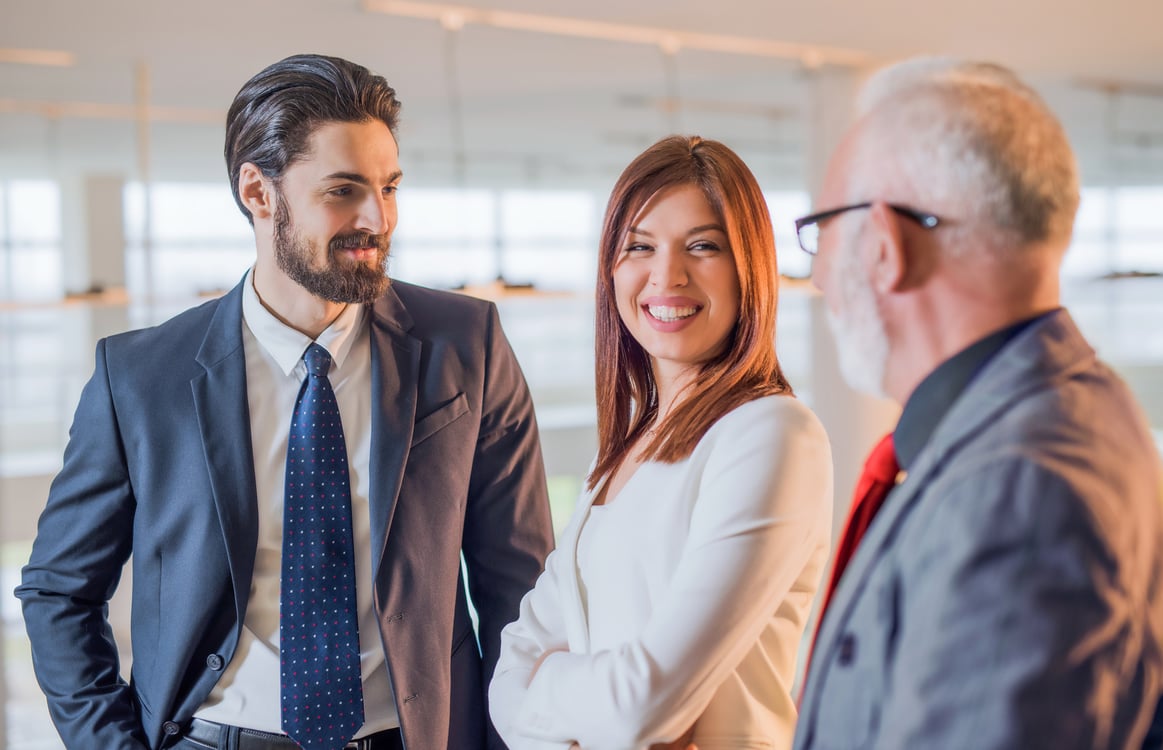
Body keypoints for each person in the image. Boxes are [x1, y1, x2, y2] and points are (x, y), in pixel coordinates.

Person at [16, 53, 555, 750]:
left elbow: (522, 588)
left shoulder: (466, 345)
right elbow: (59, 591)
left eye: (389, 188)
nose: (377, 218)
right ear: (257, 192)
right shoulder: (140, 377)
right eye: (343, 190)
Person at [792, 57, 1163, 749]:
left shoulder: (1016, 488)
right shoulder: (1063, 411)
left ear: (882, 247)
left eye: (823, 230)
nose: (816, 277)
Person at [489, 135, 834, 749]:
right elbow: (508, 677)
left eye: (702, 246)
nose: (667, 276)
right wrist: (585, 705)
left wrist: (553, 693)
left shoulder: (771, 434)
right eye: (640, 247)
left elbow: (644, 704)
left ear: (748, 267)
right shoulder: (623, 450)